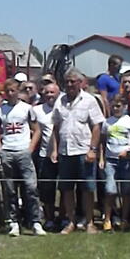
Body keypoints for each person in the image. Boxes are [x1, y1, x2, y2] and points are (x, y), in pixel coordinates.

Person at [51, 68, 104, 234]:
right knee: (67, 189)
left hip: (84, 151)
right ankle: (71, 222)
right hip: (65, 151)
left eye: (73, 81)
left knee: (88, 188)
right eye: (67, 81)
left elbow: (97, 126)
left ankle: (89, 222)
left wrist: (93, 149)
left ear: (80, 83)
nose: (69, 84)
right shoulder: (60, 101)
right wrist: (54, 149)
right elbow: (55, 125)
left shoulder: (89, 100)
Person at [0, 80, 44, 236]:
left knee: (30, 188)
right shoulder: (0, 111)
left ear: (18, 90)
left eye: (13, 90)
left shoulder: (27, 109)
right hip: (8, 152)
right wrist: (0, 150)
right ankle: (14, 222)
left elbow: (36, 130)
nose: (10, 93)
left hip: (23, 151)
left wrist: (30, 148)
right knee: (10, 190)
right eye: (7, 91)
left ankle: (35, 221)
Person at [101, 95, 130, 231]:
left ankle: (124, 219)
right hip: (111, 160)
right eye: (113, 106)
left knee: (126, 191)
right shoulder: (107, 122)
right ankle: (107, 219)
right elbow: (103, 141)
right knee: (110, 190)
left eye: (118, 106)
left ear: (125, 107)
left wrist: (128, 152)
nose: (115, 108)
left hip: (126, 160)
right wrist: (102, 158)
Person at [33, 82, 59, 229]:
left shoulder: (63, 108)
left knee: (65, 188)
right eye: (47, 92)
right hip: (44, 154)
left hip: (63, 153)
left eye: (52, 92)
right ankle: (49, 218)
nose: (49, 95)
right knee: (47, 188)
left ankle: (63, 217)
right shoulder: (36, 110)